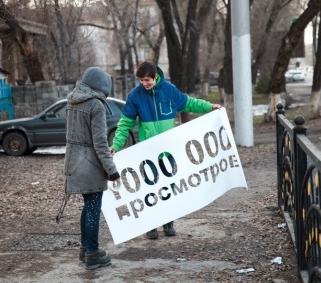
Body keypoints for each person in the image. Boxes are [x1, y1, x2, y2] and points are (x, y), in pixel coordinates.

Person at [110, 61, 221, 240]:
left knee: (169, 187)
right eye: (141, 80)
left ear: (156, 77)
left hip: (168, 152)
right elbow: (125, 124)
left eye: (147, 80)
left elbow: (190, 103)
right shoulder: (135, 96)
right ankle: (151, 224)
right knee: (150, 187)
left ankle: (168, 222)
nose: (144, 84)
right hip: (147, 152)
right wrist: (116, 145)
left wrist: (209, 107)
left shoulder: (169, 90)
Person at [64, 67, 120, 270]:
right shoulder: (96, 105)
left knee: (88, 206)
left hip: (73, 160)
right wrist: (112, 170)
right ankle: (93, 254)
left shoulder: (71, 101)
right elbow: (100, 142)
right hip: (90, 165)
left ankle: (85, 248)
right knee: (94, 208)